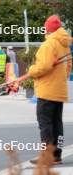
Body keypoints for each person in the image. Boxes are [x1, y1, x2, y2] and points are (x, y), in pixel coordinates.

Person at [14, 15, 72, 165]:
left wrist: (32, 70)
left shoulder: (48, 45)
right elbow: (68, 67)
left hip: (47, 90)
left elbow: (43, 67)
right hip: (59, 89)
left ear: (48, 29)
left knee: (45, 124)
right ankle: (56, 155)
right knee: (56, 123)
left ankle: (47, 156)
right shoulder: (65, 45)